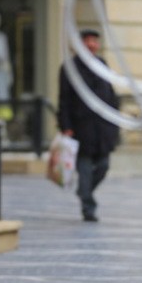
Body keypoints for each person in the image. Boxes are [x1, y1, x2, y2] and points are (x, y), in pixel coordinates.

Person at [57, 28, 120, 222]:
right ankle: (88, 207)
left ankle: (85, 192)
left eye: (94, 41)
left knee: (103, 166)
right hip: (81, 128)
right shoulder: (69, 67)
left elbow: (111, 95)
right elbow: (64, 100)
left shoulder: (102, 64)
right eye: (88, 41)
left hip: (103, 128)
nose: (92, 44)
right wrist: (66, 125)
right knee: (84, 169)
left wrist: (115, 119)